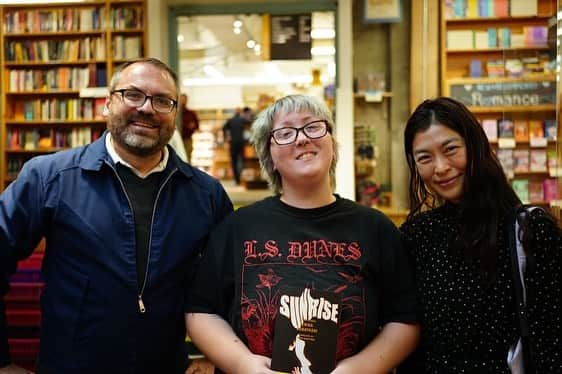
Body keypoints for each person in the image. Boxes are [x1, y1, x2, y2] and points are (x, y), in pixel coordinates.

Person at [0, 57, 233, 373]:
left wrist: (217, 356)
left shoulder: (206, 194)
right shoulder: (50, 177)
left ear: (175, 114)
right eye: (133, 95)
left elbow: (232, 285)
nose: (147, 108)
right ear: (107, 104)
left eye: (162, 100)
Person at [186, 94, 419, 373]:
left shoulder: (376, 229)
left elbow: (405, 319)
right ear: (268, 156)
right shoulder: (237, 228)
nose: (301, 139)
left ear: (332, 143)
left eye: (313, 127)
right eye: (285, 133)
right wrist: (243, 364)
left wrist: (357, 369)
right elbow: (201, 311)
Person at [399, 97, 561, 373]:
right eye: (424, 158)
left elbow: (552, 341)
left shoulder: (531, 231)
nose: (440, 167)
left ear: (474, 146)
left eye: (451, 149)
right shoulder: (417, 235)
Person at [223, 107, 251, 185]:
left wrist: (226, 137)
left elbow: (224, 128)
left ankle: (237, 180)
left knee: (234, 162)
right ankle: (241, 178)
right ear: (240, 112)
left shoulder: (230, 120)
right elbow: (250, 124)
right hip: (241, 143)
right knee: (241, 161)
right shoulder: (242, 120)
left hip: (233, 143)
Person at [180, 93, 199, 162]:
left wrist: (192, 127)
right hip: (175, 139)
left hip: (187, 139)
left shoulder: (191, 113)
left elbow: (197, 126)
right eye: (181, 99)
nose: (183, 101)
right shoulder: (176, 113)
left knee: (187, 158)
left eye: (184, 99)